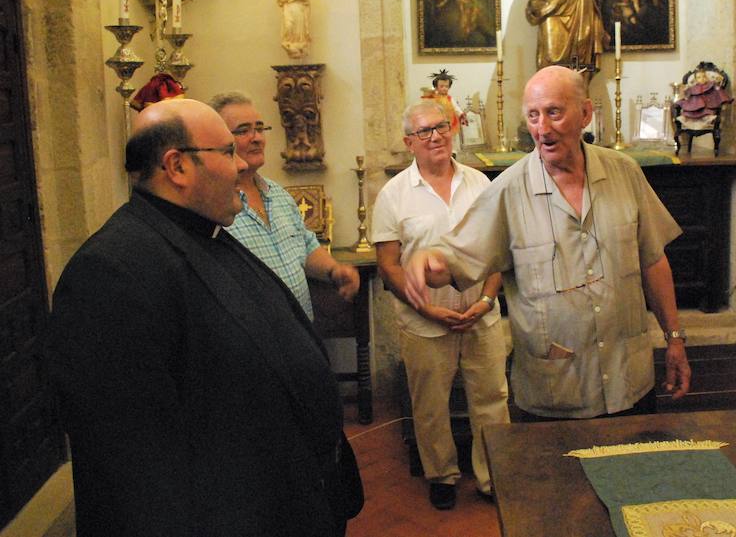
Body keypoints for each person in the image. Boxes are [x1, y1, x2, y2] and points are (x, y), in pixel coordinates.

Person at [46, 98, 363, 537]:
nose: (240, 166)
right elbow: (133, 465)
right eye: (228, 151)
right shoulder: (111, 271)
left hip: (289, 498)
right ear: (177, 167)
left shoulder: (205, 231)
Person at [404, 66, 691, 421]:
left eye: (554, 112)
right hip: (555, 394)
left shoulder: (625, 173)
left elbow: (652, 260)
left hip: (628, 381)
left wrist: (674, 338)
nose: (543, 128)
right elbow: (453, 260)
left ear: (585, 113)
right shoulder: (508, 191)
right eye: (534, 115)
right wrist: (425, 261)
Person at [372, 101, 509, 510]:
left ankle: (492, 478)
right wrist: (427, 308)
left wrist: (485, 301)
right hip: (425, 323)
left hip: (481, 317)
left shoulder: (480, 184)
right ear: (408, 142)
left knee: (491, 399)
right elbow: (388, 265)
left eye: (441, 127)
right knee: (430, 406)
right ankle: (442, 475)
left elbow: (497, 252)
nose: (435, 136)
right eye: (425, 131)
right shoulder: (393, 195)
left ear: (453, 130)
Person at [209, 91, 359, 321]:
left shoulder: (278, 194)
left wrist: (334, 270)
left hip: (301, 333)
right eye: (243, 130)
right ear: (218, 140)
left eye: (259, 128)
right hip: (254, 341)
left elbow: (306, 245)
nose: (257, 137)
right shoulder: (213, 206)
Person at [421, 69, 467, 138]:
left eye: (446, 86)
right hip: (437, 121)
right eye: (441, 86)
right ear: (436, 87)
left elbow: (456, 107)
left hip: (449, 121)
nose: (444, 88)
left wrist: (461, 114)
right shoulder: (434, 98)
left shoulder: (449, 98)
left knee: (450, 137)